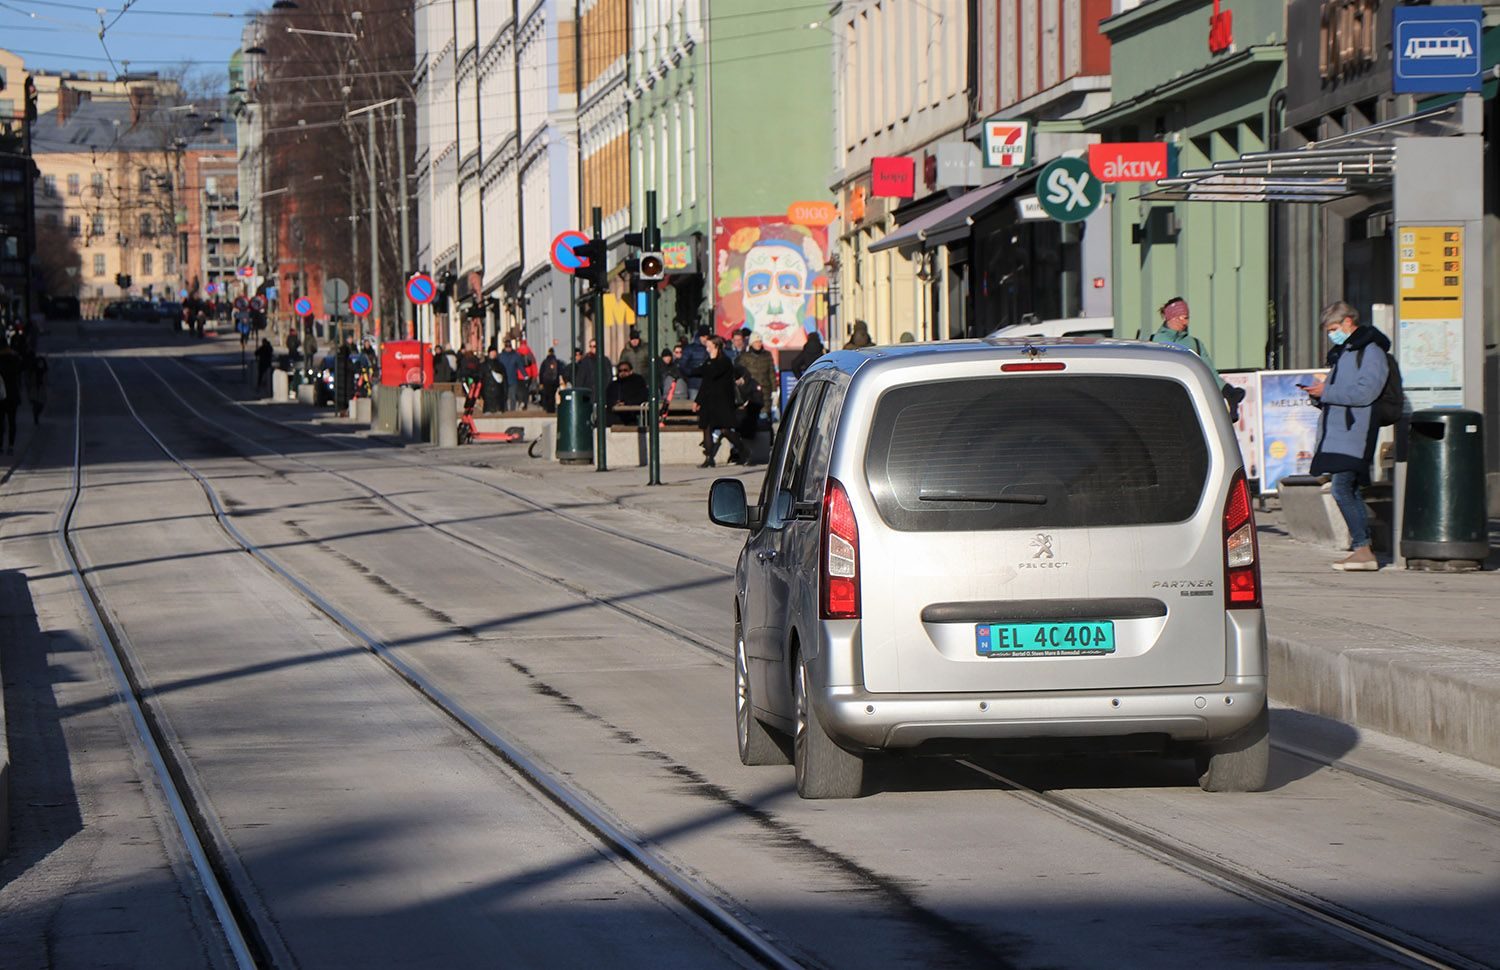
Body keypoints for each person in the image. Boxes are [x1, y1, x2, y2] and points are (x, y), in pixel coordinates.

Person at [1306, 301, 1389, 573]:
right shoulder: (1345, 353)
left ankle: (1363, 549)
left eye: (1333, 328)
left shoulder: (1371, 352)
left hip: (1356, 432)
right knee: (1348, 488)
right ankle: (1362, 548)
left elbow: (1366, 393)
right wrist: (1320, 396)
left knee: (1342, 488)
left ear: (1348, 322)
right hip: (1340, 432)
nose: (1332, 334)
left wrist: (1326, 393)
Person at [692, 335, 743, 467]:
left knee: (725, 429)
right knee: (707, 428)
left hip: (722, 401)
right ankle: (709, 458)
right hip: (708, 401)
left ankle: (743, 450)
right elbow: (704, 381)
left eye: (709, 344)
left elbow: (714, 373)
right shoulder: (709, 361)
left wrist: (711, 360)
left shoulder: (724, 361)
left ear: (715, 346)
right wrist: (698, 401)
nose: (706, 347)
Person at [737, 332, 776, 423]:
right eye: (756, 342)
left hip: (765, 391)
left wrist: (774, 390)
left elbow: (771, 373)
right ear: (751, 343)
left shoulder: (767, 355)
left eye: (760, 342)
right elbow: (740, 374)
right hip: (751, 393)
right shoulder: (745, 357)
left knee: (764, 418)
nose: (758, 344)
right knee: (751, 419)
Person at [605, 360, 650, 424]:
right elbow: (608, 398)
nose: (622, 373)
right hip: (616, 414)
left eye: (625, 370)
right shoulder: (614, 385)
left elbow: (642, 396)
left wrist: (626, 403)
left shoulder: (638, 381)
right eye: (620, 371)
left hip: (633, 413)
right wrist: (615, 403)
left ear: (631, 371)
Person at [0, 336, 22, 453]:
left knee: (1, 421)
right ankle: (11, 445)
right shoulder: (15, 358)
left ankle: (0, 445)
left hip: (1, 395)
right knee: (12, 421)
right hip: (13, 393)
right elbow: (21, 370)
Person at [679, 327, 710, 400]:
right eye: (703, 336)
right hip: (694, 384)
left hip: (708, 384)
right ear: (699, 336)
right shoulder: (690, 349)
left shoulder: (711, 348)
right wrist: (693, 372)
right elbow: (682, 365)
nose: (705, 339)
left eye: (707, 337)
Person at [498, 340, 525, 412]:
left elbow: (520, 366)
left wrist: (525, 375)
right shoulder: (501, 356)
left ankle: (512, 411)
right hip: (504, 380)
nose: (508, 348)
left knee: (512, 396)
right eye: (507, 347)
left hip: (513, 379)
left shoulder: (515, 356)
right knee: (505, 397)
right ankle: (505, 410)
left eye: (509, 347)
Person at [480, 348, 508, 414]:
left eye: (494, 353)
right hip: (487, 395)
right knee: (488, 413)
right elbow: (480, 379)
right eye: (492, 352)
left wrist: (505, 394)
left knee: (498, 413)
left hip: (498, 395)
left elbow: (504, 382)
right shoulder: (483, 366)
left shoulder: (500, 366)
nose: (493, 354)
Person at [537, 347, 562, 413]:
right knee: (553, 396)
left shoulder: (545, 362)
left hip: (546, 381)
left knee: (547, 395)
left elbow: (541, 372)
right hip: (554, 381)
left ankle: (548, 408)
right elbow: (560, 371)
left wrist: (541, 382)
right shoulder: (557, 361)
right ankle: (552, 409)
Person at [26, 354, 47, 426]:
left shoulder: (44, 371)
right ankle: (35, 417)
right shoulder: (33, 371)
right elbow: (29, 381)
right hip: (34, 389)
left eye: (41, 363)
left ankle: (36, 415)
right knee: (36, 404)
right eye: (39, 363)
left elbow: (46, 380)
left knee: (41, 405)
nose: (40, 364)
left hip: (41, 389)